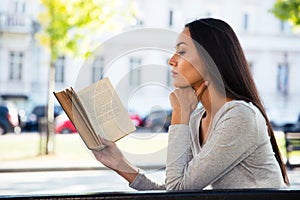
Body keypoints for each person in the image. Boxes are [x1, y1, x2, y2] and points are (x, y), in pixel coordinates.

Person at [92, 18, 289, 190]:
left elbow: (178, 190)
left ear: (211, 59)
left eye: (182, 52)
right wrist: (119, 163)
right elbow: (175, 187)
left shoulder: (240, 115)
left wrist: (180, 114)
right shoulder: (198, 118)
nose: (171, 60)